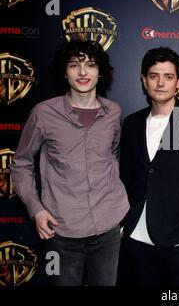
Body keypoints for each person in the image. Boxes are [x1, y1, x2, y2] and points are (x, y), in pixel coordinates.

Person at [11, 40, 130, 286]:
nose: (83, 72)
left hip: (108, 228)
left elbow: (114, 155)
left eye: (90, 65)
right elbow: (21, 164)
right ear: (65, 72)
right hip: (61, 231)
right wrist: (36, 209)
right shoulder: (43, 113)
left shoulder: (114, 113)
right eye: (74, 65)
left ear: (101, 72)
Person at [117, 46, 179, 286]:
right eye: (153, 76)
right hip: (135, 241)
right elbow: (123, 178)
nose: (160, 83)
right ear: (144, 81)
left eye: (168, 77)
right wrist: (123, 227)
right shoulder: (131, 123)